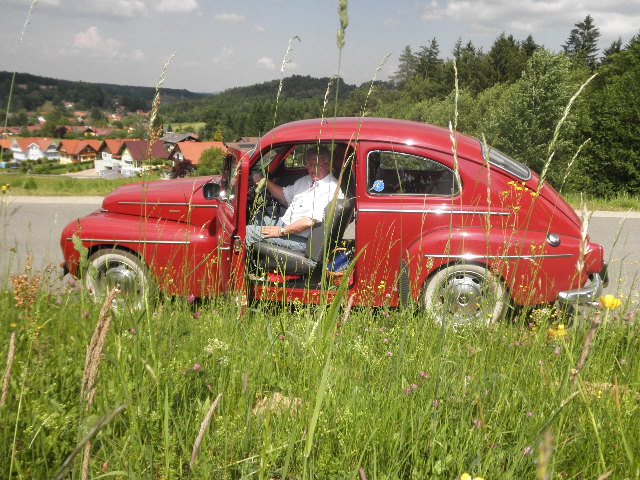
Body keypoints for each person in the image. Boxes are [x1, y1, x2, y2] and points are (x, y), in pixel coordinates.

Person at [246, 146, 343, 253]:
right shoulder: (306, 180)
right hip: (288, 227)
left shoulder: (329, 189)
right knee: (257, 217)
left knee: (248, 232)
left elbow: (308, 222)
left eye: (316, 165)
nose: (311, 169)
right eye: (309, 164)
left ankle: (237, 268)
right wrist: (265, 182)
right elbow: (284, 196)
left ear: (328, 165)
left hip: (302, 240)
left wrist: (281, 231)